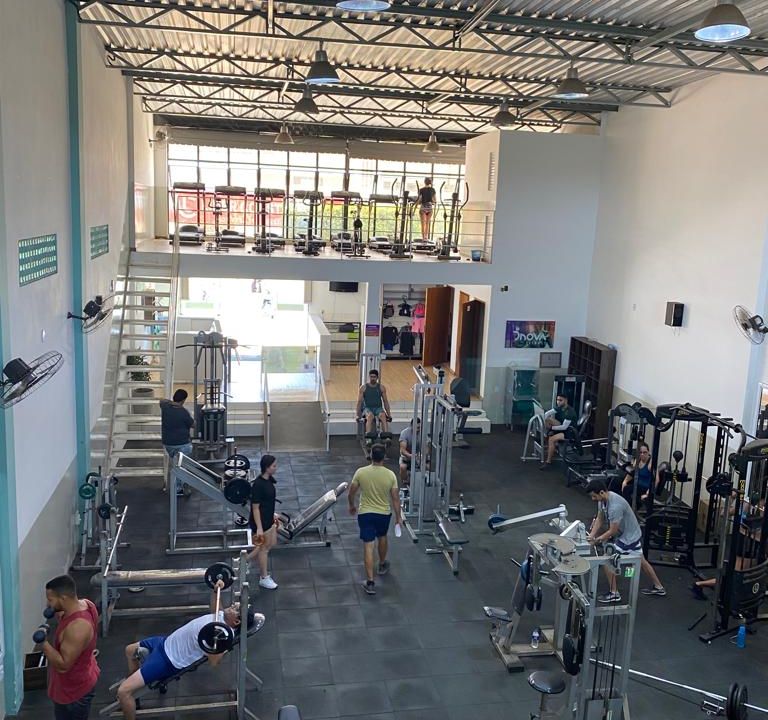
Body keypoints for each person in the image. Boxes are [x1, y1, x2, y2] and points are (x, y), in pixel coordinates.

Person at [117, 580, 251, 720]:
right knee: (130, 650)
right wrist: (215, 590)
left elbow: (214, 662)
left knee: (123, 691)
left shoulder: (222, 636)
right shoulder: (221, 619)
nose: (232, 605)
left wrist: (218, 648)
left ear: (236, 622)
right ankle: (135, 693)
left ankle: (130, 695)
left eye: (236, 609)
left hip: (168, 660)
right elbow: (215, 609)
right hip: (165, 642)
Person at [585, 478, 666, 602]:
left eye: (594, 496)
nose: (593, 499)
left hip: (628, 537)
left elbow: (612, 531)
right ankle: (659, 587)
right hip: (629, 533)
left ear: (601, 492)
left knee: (607, 560)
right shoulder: (603, 499)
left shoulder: (615, 506)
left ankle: (614, 593)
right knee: (641, 560)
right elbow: (600, 518)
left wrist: (597, 540)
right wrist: (591, 536)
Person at [40, 575, 100, 720]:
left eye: (50, 600)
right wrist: (59, 612)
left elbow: (63, 665)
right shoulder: (86, 604)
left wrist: (44, 643)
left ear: (63, 598)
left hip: (74, 692)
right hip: (83, 675)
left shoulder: (78, 628)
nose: (48, 604)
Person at [348, 444, 403, 595]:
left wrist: (351, 505)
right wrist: (398, 517)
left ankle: (370, 582)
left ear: (371, 456)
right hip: (383, 514)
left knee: (368, 545)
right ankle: (382, 563)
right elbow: (395, 499)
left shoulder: (361, 472)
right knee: (382, 536)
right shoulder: (390, 475)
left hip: (365, 513)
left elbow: (351, 492)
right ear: (384, 457)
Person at [247, 454, 280, 590]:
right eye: (274, 466)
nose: (276, 468)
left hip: (268, 518)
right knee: (263, 549)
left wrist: (273, 514)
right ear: (267, 468)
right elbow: (255, 508)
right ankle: (264, 578)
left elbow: (267, 501)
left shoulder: (269, 480)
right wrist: (259, 528)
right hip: (261, 521)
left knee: (269, 544)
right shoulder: (258, 485)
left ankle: (244, 561)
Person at [160, 389, 194, 496]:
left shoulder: (165, 407)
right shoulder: (184, 412)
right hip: (183, 444)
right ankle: (180, 487)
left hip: (168, 444)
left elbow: (161, 400)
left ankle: (179, 485)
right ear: (183, 400)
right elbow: (193, 425)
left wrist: (173, 403)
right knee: (182, 464)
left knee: (176, 463)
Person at [540, 393, 578, 469]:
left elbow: (564, 427)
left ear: (566, 400)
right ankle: (547, 435)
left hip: (569, 432)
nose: (558, 402)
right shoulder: (560, 407)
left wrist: (552, 428)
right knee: (548, 419)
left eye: (560, 400)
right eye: (557, 400)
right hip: (563, 427)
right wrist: (545, 422)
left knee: (551, 439)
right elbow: (547, 413)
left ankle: (548, 462)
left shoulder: (570, 411)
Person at [621, 442, 659, 507]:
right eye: (640, 452)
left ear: (648, 452)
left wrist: (648, 493)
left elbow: (657, 480)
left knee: (627, 490)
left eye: (645, 452)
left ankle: (630, 508)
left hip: (645, 488)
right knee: (618, 483)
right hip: (637, 485)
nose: (642, 454)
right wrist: (625, 481)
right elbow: (632, 473)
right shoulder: (637, 460)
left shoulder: (651, 464)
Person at [356, 369, 392, 437]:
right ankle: (368, 437)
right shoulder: (363, 388)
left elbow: (385, 401)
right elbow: (359, 402)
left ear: (377, 377)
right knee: (370, 416)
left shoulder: (381, 387)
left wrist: (389, 414)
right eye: (371, 377)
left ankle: (386, 436)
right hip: (367, 408)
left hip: (378, 408)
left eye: (374, 377)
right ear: (369, 377)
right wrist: (357, 415)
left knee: (383, 416)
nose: (372, 378)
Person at [399, 418, 421, 486]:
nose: (418, 430)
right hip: (406, 457)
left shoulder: (422, 433)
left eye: (419, 427)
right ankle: (405, 482)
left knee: (428, 467)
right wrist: (410, 456)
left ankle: (420, 481)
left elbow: (426, 448)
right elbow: (402, 450)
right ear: (411, 426)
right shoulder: (404, 433)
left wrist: (421, 455)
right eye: (416, 427)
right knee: (403, 467)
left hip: (418, 457)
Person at [415, 177, 436, 241]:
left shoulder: (421, 190)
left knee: (423, 223)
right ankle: (426, 237)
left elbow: (419, 200)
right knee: (427, 223)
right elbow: (434, 200)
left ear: (424, 182)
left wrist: (415, 207)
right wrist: (431, 200)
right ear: (430, 182)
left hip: (423, 207)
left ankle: (423, 237)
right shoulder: (433, 190)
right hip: (429, 207)